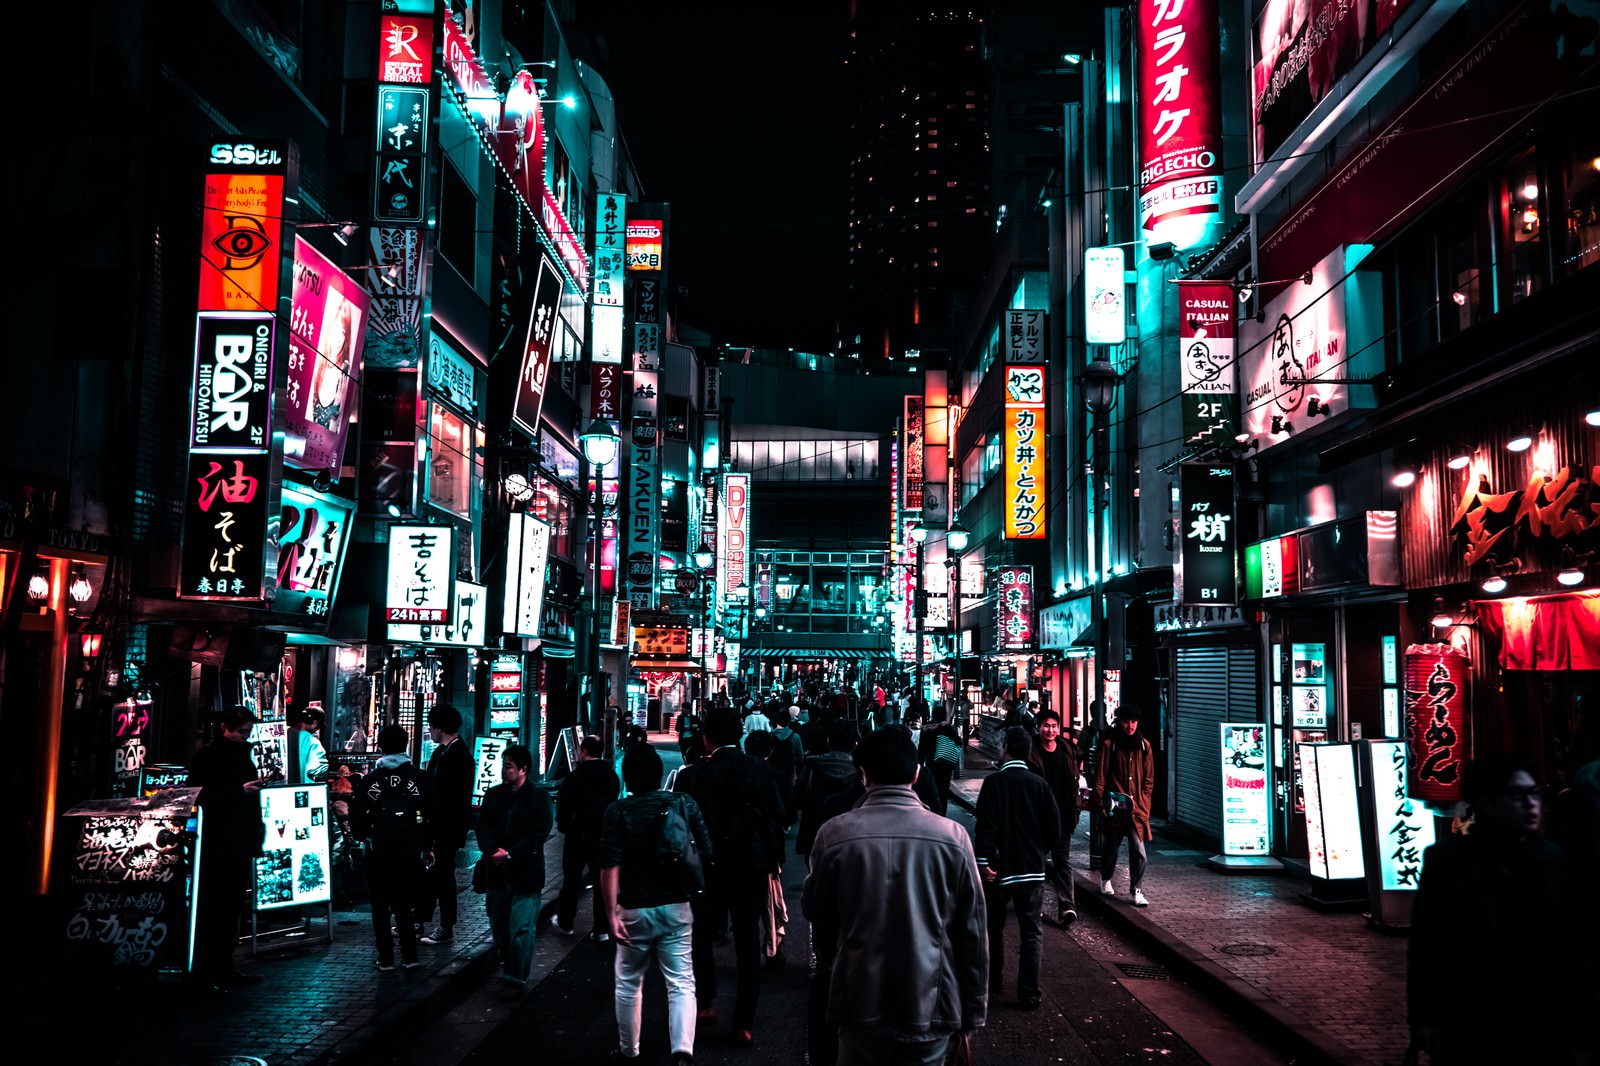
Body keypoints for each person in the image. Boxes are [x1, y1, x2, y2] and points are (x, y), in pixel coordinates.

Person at [804, 726, 988, 1065]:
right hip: (930, 1005)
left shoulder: (834, 835)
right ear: (917, 774)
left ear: (863, 774)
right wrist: (972, 1013)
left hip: (859, 1001)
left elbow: (819, 916)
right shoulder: (953, 838)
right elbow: (972, 935)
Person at [1408, 752, 1591, 1063]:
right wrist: (1423, 1017)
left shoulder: (1552, 859)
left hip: (1540, 1016)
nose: (1530, 803)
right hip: (1472, 1016)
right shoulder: (1448, 860)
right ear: (1486, 802)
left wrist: (1580, 1027)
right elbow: (1428, 943)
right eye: (1516, 794)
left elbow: (1569, 947)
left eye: (1534, 792)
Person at [673, 705, 788, 1047]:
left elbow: (680, 826)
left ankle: (706, 1002)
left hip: (706, 867)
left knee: (701, 934)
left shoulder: (693, 775)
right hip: (750, 865)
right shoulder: (758, 768)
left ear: (706, 739)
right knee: (747, 943)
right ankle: (743, 1023)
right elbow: (780, 813)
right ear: (739, 734)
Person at [599, 744, 713, 1066]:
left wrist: (610, 915)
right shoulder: (682, 802)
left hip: (633, 908)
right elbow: (705, 848)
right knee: (680, 981)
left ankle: (628, 1050)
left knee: (629, 980)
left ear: (627, 777)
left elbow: (609, 867)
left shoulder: (617, 812)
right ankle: (682, 1051)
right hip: (677, 903)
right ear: (659, 773)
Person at [975, 727, 1060, 1010]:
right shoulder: (1040, 785)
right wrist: (1039, 852)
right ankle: (1029, 992)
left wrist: (984, 862)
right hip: (1032, 870)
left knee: (994, 928)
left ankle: (993, 982)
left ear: (1006, 748)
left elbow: (985, 828)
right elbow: (1054, 829)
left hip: (999, 871)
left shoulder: (994, 784)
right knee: (1031, 933)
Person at [186, 704, 269, 992]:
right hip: (218, 843)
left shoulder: (241, 753)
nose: (245, 737)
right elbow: (195, 795)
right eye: (241, 732)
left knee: (231, 908)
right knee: (214, 908)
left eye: (248, 732)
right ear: (224, 728)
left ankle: (224, 966)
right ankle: (205, 971)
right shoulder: (208, 756)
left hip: (240, 840)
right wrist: (239, 792)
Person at [477, 743, 555, 999]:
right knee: (499, 927)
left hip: (526, 874)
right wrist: (492, 851)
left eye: (508, 766)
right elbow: (483, 827)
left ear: (523, 770)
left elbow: (539, 835)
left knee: (521, 928)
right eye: (503, 765)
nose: (503, 770)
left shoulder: (540, 799)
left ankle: (514, 977)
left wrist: (510, 854)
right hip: (496, 872)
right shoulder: (493, 795)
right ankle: (507, 961)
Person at [351, 724, 431, 972]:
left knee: (379, 905)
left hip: (379, 850)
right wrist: (427, 846)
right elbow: (430, 814)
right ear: (406, 745)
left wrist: (364, 836)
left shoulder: (370, 780)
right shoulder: (419, 778)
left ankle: (385, 956)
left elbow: (357, 817)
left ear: (381, 748)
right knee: (404, 903)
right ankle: (410, 956)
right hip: (408, 849)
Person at [553, 735, 622, 941]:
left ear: (583, 751)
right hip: (602, 834)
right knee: (600, 880)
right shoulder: (611, 776)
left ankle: (566, 922)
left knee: (571, 879)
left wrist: (565, 825)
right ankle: (600, 928)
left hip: (577, 834)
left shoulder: (574, 777)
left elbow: (563, 806)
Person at [418, 702, 472, 945]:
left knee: (443, 876)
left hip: (446, 828)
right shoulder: (441, 752)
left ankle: (445, 925)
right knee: (431, 874)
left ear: (440, 727)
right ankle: (421, 918)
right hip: (436, 825)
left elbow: (453, 799)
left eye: (431, 726)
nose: (429, 731)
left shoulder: (459, 756)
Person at [1094, 703, 1155, 906]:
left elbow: (1149, 780)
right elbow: (1101, 774)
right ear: (1119, 722)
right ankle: (1106, 878)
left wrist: (1144, 802)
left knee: (1139, 851)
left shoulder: (1145, 746)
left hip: (1136, 808)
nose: (1130, 726)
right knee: (1111, 846)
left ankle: (1136, 890)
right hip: (1115, 806)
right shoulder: (1109, 744)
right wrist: (1101, 800)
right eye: (1127, 722)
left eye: (1134, 722)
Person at [1027, 710, 1082, 926]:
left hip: (1063, 818)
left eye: (1054, 726)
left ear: (1059, 727)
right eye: (1046, 726)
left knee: (1063, 864)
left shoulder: (1068, 750)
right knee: (1037, 864)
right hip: (1038, 819)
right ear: (1039, 727)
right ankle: (1034, 907)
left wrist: (1075, 811)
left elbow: (1074, 783)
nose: (1050, 730)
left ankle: (1067, 907)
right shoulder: (1030, 750)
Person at [795, 722, 861, 864]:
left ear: (829, 741)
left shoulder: (813, 767)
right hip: (852, 836)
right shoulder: (862, 772)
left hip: (816, 833)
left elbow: (797, 798)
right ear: (855, 743)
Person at [291, 703, 329, 783]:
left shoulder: (282, 736)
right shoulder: (312, 742)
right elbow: (317, 770)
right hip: (300, 792)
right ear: (314, 723)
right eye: (317, 728)